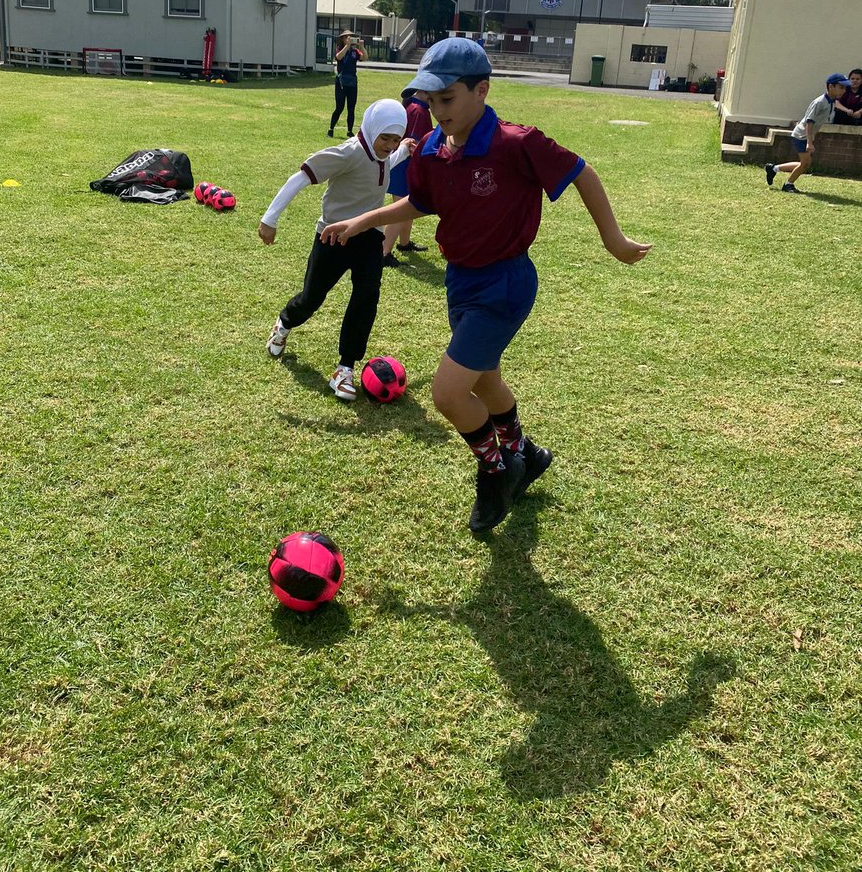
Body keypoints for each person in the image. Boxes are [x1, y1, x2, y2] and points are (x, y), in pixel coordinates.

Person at [320, 37, 651, 533]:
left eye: (447, 99)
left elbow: (582, 173)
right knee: (486, 381)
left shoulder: (517, 143)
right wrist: (364, 220)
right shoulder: (433, 148)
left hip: (505, 283)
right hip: (461, 282)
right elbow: (420, 203)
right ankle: (527, 453)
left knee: (449, 394)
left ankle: (497, 470)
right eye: (430, 102)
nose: (437, 111)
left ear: (482, 90)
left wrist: (615, 240)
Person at [259, 99, 412, 402]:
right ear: (371, 131)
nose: (390, 146)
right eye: (386, 138)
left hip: (369, 237)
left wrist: (405, 149)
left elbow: (382, 166)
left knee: (366, 297)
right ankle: (285, 323)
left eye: (395, 139)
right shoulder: (349, 152)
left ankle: (345, 368)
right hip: (332, 237)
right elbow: (301, 177)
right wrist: (270, 219)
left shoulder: (383, 154)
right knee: (311, 298)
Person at [765, 72, 850, 192]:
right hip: (801, 135)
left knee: (805, 163)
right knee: (805, 163)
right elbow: (809, 122)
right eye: (841, 87)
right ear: (831, 87)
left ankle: (773, 169)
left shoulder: (831, 101)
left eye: (845, 88)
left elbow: (827, 113)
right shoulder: (820, 102)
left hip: (806, 136)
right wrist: (809, 142)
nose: (844, 90)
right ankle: (788, 185)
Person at [383, 87, 434, 267]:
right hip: (404, 167)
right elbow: (413, 145)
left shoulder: (415, 106)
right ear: (425, 92)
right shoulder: (419, 111)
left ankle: (404, 243)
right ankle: (384, 252)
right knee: (400, 211)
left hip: (403, 166)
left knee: (409, 206)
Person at [328, 31, 366, 139]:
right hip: (341, 82)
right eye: (346, 37)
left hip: (352, 83)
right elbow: (338, 57)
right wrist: (346, 46)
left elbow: (364, 58)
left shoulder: (355, 52)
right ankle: (331, 129)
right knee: (339, 107)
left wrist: (362, 47)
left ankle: (349, 131)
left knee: (351, 107)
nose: (349, 39)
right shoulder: (340, 49)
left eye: (351, 37)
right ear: (342, 39)